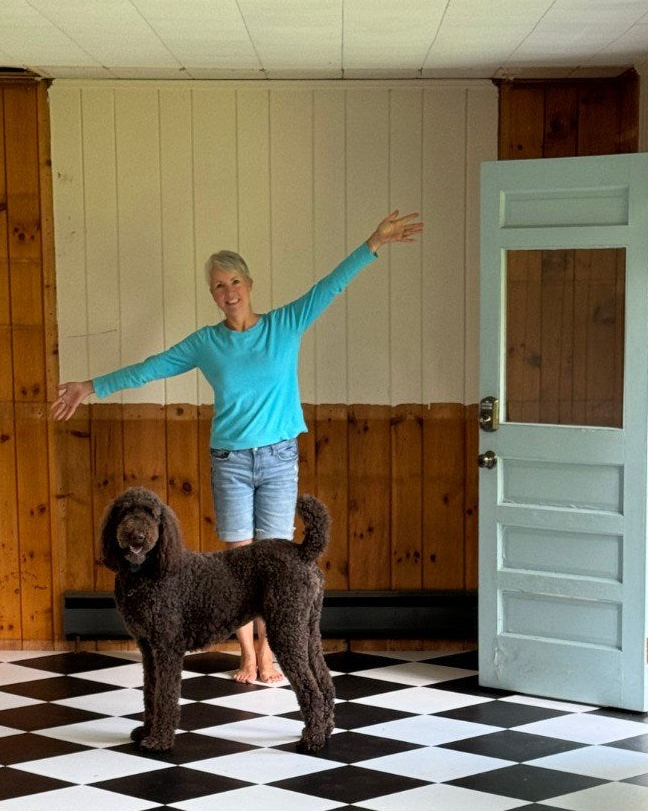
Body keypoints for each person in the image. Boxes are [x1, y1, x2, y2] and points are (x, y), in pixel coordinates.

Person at [51, 210, 423, 683]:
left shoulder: (284, 325)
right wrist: (91, 386)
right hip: (229, 462)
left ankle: (271, 652)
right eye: (217, 288)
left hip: (278, 458)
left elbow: (329, 286)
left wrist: (375, 241)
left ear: (248, 283)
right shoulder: (207, 342)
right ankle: (246, 655)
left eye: (233, 282)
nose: (228, 294)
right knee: (236, 562)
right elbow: (153, 366)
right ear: (213, 295)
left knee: (274, 560)